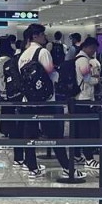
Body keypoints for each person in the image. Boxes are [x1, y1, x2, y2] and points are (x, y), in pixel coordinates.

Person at [19, 24, 84, 179]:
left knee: (30, 135)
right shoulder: (42, 52)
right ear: (35, 36)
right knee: (55, 135)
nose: (45, 37)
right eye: (42, 34)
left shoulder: (23, 55)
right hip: (46, 101)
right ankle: (67, 168)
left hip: (28, 100)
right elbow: (52, 74)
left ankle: (32, 168)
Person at [73, 37, 101, 168]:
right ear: (88, 47)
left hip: (78, 98)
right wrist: (98, 80)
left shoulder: (77, 58)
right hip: (84, 98)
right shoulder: (83, 60)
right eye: (93, 49)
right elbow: (88, 79)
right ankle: (89, 158)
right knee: (86, 130)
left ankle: (76, 155)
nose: (94, 52)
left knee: (78, 129)